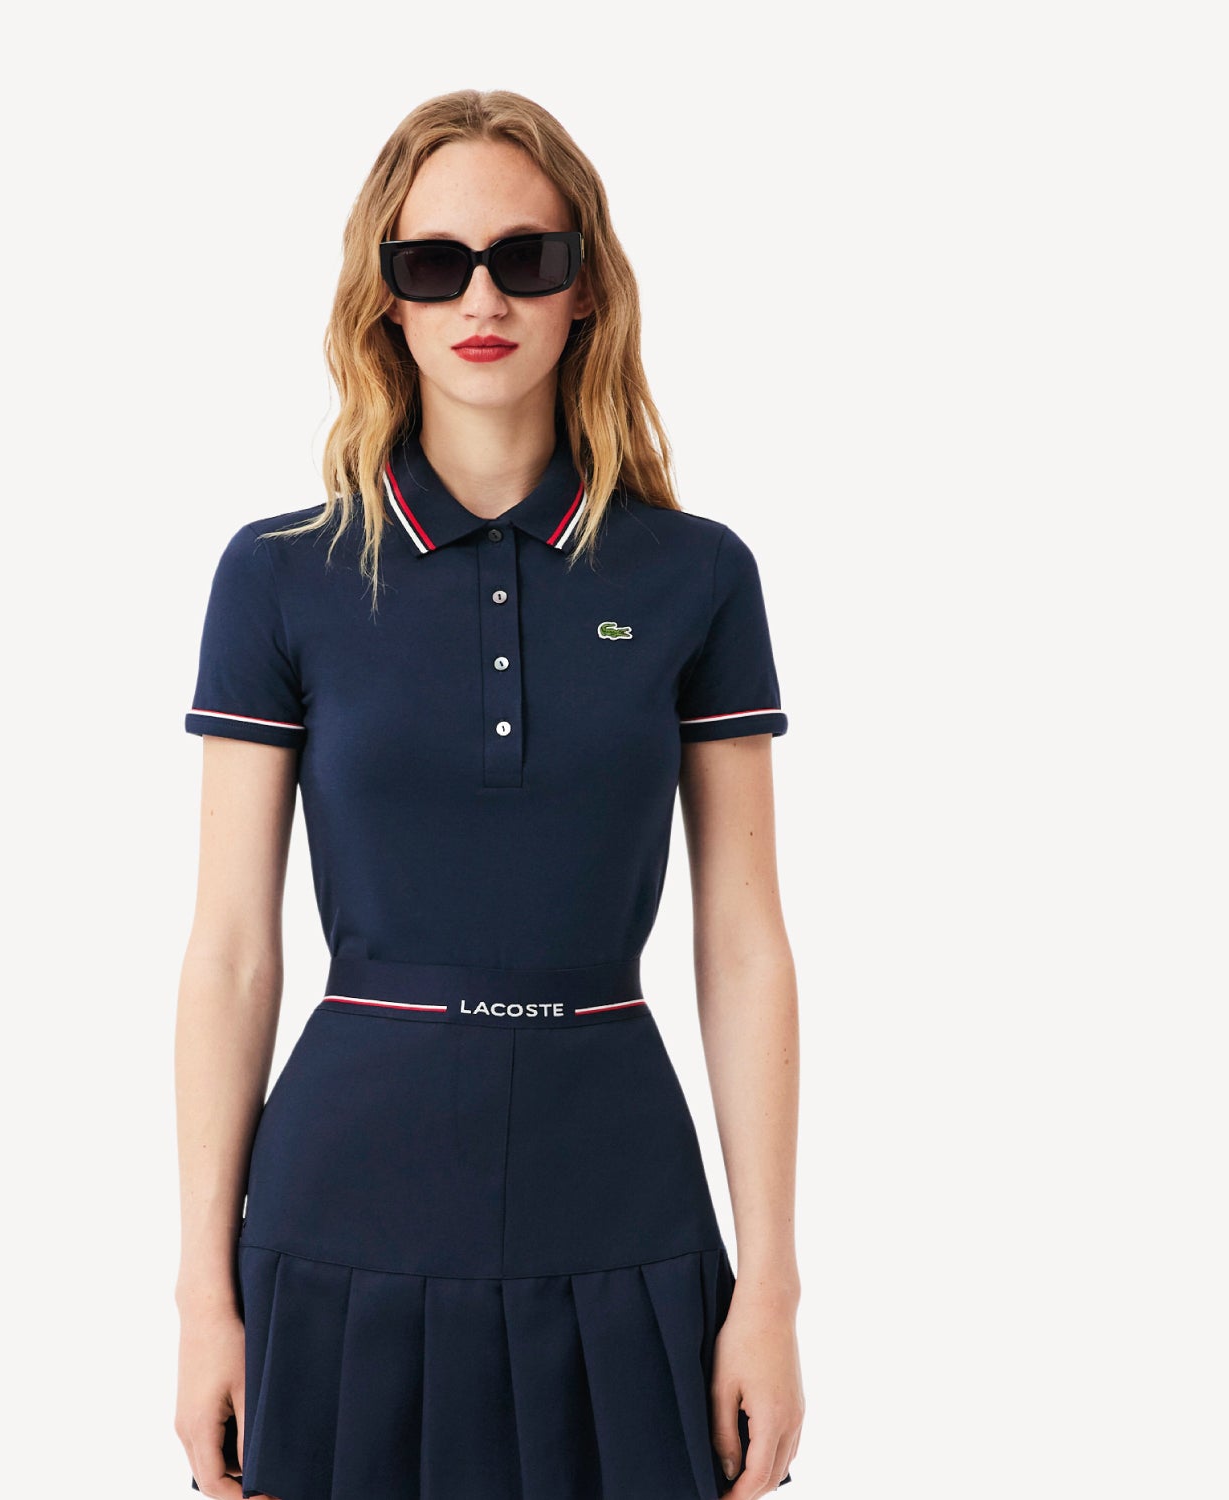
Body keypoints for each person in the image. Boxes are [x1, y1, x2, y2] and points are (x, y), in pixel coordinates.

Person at [175, 88, 804, 1500]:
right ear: (383, 299)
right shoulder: (278, 576)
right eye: (433, 263)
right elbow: (229, 953)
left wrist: (770, 1288)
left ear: (586, 290)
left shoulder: (698, 576)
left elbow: (745, 943)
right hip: (342, 1204)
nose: (482, 298)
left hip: (623, 1196)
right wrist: (202, 1298)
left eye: (526, 258)